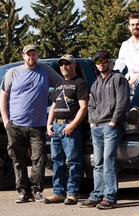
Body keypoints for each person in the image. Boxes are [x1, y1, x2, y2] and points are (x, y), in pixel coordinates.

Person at [0, 44, 63, 203]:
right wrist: (6, 121)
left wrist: (53, 101)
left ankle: (36, 191)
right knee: (17, 159)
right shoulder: (13, 73)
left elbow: (62, 85)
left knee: (38, 159)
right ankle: (22, 191)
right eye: (28, 54)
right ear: (23, 56)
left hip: (37, 125)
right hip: (15, 125)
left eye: (33, 54)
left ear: (37, 55)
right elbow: (3, 96)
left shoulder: (45, 70)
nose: (31, 57)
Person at [77, 50, 130, 210]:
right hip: (97, 128)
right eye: (98, 62)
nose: (101, 64)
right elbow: (91, 105)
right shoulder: (96, 82)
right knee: (98, 163)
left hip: (111, 127)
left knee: (108, 161)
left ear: (110, 62)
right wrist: (92, 122)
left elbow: (122, 102)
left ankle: (110, 197)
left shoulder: (118, 79)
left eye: (103, 61)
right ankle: (96, 196)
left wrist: (114, 122)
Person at [44, 54, 89, 205]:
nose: (64, 66)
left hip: (70, 127)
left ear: (73, 65)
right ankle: (58, 192)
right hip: (57, 126)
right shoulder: (59, 84)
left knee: (74, 161)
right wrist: (49, 124)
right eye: (61, 64)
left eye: (67, 63)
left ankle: (72, 193)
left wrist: (73, 125)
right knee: (57, 160)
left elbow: (84, 107)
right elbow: (53, 107)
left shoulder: (80, 83)